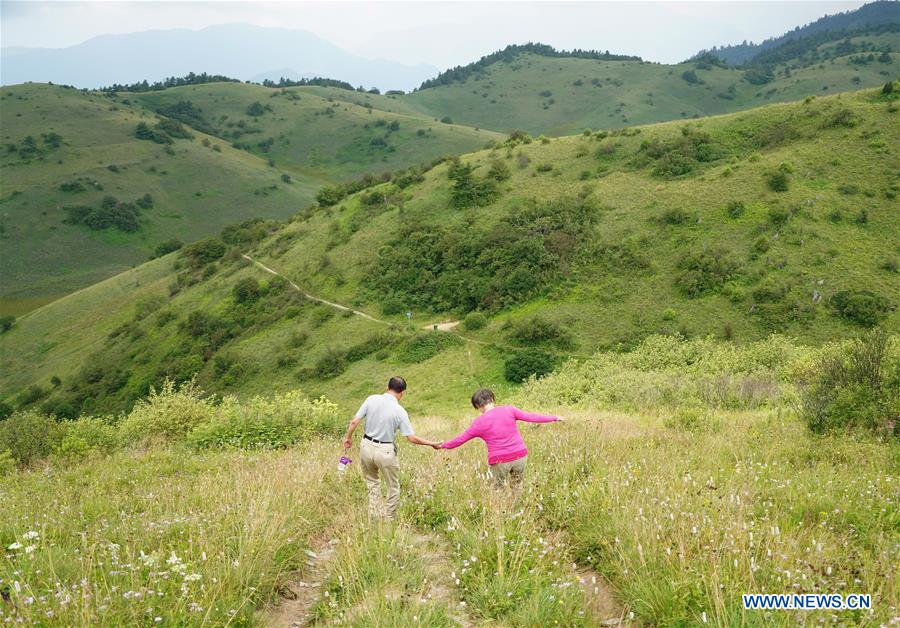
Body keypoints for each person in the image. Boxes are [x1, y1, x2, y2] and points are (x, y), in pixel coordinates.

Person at [342, 376, 441, 520]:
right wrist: (432, 443)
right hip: (386, 451)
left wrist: (348, 437)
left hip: (366, 446)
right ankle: (389, 518)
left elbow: (354, 422)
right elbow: (411, 438)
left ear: (387, 387)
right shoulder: (400, 411)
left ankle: (374, 515)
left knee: (372, 481)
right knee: (393, 486)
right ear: (402, 393)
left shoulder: (371, 399)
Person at [438, 388, 562, 486]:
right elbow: (532, 417)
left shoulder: (478, 422)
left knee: (498, 490)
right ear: (492, 399)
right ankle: (515, 512)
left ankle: (502, 515)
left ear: (477, 406)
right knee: (516, 486)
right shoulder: (510, 410)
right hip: (520, 455)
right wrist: (554, 418)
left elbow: (460, 439)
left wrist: (442, 445)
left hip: (499, 460)